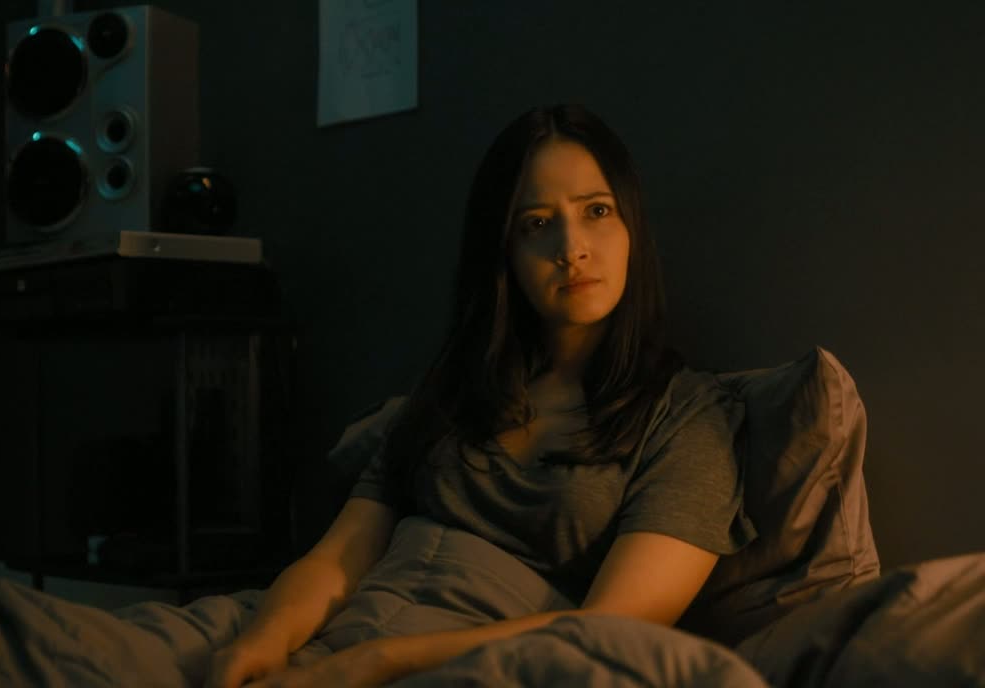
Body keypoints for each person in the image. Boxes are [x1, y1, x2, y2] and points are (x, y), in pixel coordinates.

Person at [204, 103, 757, 688]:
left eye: (596, 211)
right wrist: (263, 641)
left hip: (487, 666)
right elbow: (336, 559)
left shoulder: (688, 419)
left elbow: (613, 628)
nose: (572, 248)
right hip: (334, 628)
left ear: (631, 229)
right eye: (536, 224)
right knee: (134, 649)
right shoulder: (453, 389)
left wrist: (375, 662)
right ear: (505, 250)